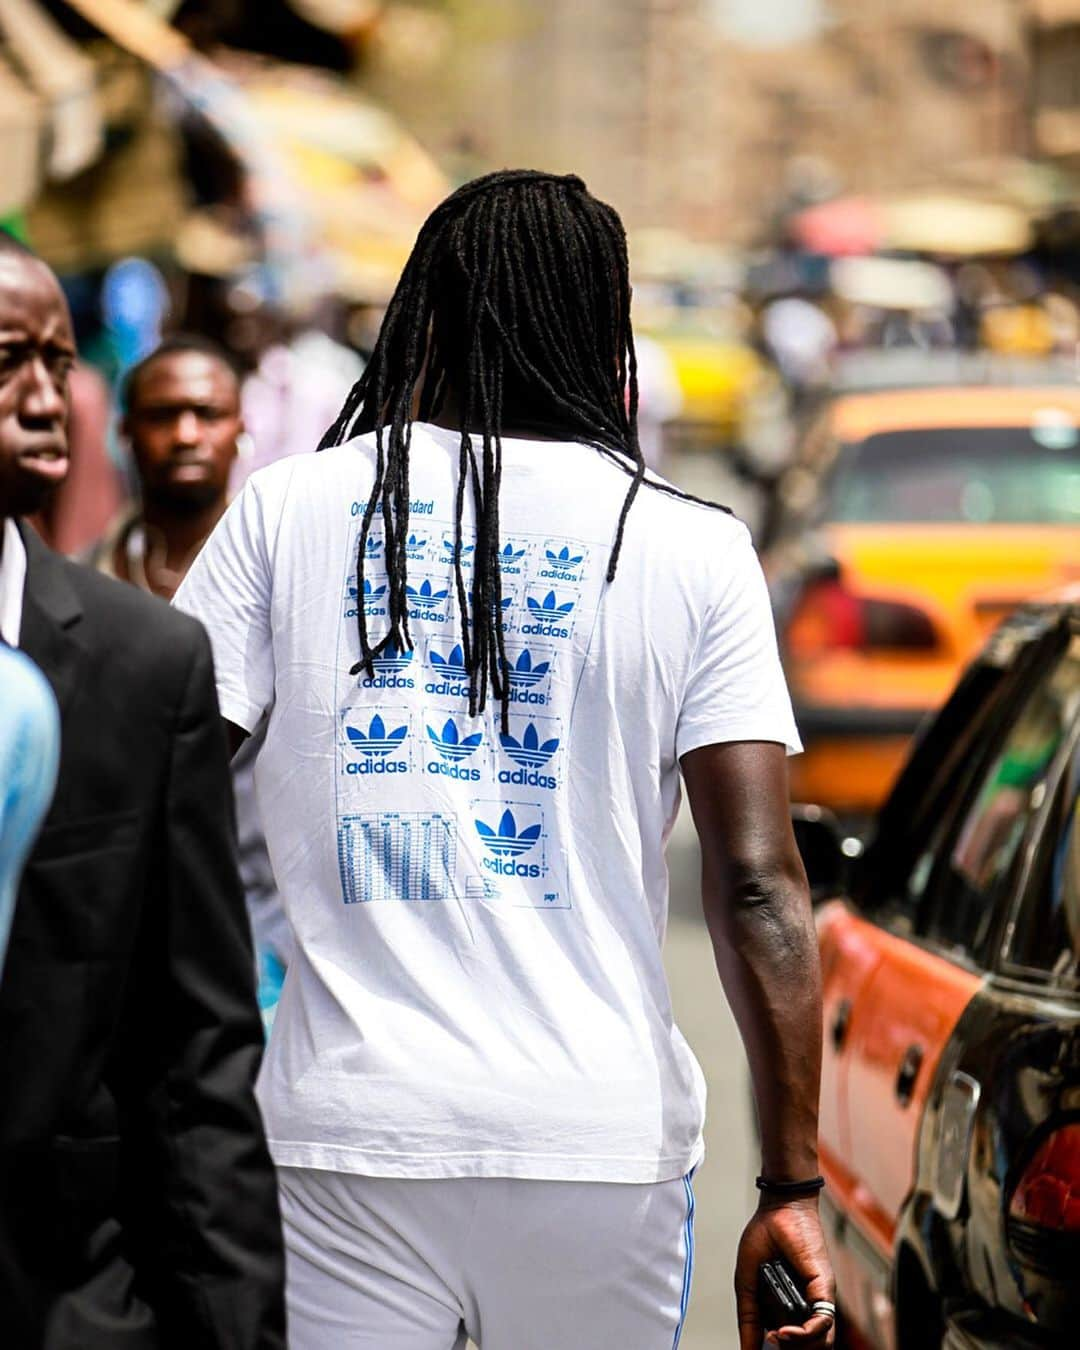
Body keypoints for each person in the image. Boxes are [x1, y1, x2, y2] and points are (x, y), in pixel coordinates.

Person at [175, 170, 835, 1350]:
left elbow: (162, 788)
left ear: (424, 313)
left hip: (346, 1137)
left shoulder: (290, 509)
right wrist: (790, 1187)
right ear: (606, 327)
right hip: (599, 1146)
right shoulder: (691, 546)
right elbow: (757, 885)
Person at [0, 235, 286, 1348]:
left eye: (57, 364)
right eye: (5, 360)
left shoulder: (145, 664)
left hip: (71, 1304)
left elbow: (194, 1055)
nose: (40, 398)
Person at [90, 334, 292, 1006]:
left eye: (207, 414)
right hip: (115, 932)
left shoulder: (285, 589)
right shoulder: (79, 588)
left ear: (241, 431)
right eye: (162, 414)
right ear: (125, 432)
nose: (185, 434)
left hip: (261, 934)